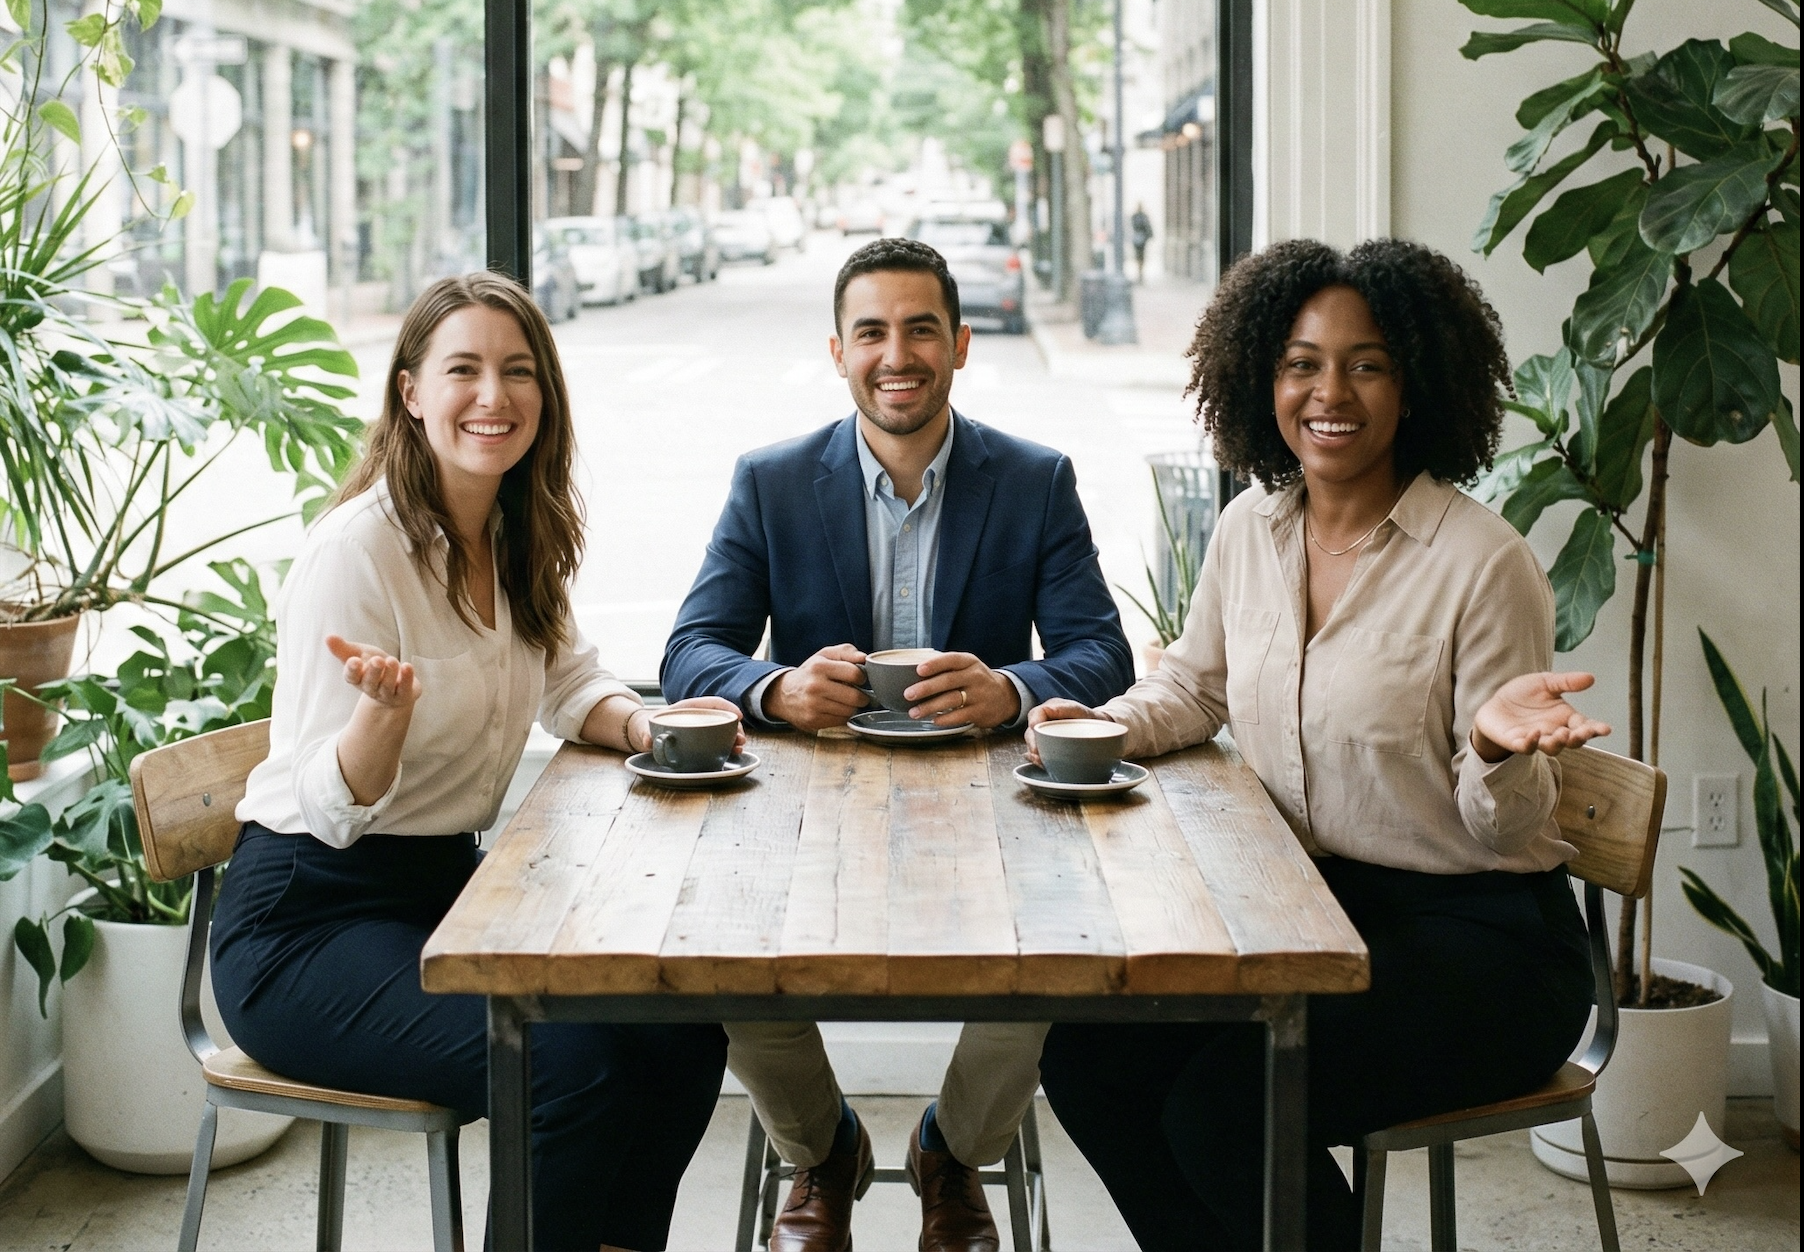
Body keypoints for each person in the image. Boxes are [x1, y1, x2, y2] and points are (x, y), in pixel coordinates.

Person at [1025, 238, 1609, 1250]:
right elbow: (1193, 686)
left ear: (1414, 384)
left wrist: (1494, 748)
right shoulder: (1250, 528)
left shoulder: (1483, 563)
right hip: (1318, 918)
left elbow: (1504, 827)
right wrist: (1099, 726)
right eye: (1302, 363)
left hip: (1485, 942)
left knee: (1227, 1109)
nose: (1329, 392)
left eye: (1366, 364)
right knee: (1089, 1061)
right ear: (1263, 380)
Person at [211, 274, 735, 1252]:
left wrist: (652, 729)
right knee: (565, 1067)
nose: (493, 396)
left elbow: (569, 680)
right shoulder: (356, 552)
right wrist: (381, 717)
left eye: (517, 371)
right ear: (411, 392)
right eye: (464, 370)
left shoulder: (515, 531)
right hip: (305, 923)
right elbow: (327, 805)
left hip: (444, 897)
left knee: (678, 1031)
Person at [661, 237, 1134, 1252]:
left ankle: (950, 1152)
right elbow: (689, 652)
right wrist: (776, 687)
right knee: (717, 951)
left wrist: (1010, 689)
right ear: (838, 351)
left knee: (1066, 953)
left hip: (994, 813)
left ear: (959, 344)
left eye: (921, 329)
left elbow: (1102, 651)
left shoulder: (1035, 479)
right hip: (806, 815)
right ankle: (820, 1147)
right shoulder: (772, 481)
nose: (897, 354)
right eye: (871, 332)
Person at [1130, 204, 1153, 283]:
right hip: (1139, 239)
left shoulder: (1140, 216)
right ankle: (1139, 271)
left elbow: (1148, 227)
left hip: (1141, 239)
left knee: (1140, 256)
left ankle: (1140, 272)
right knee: (1139, 256)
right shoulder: (1137, 216)